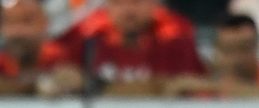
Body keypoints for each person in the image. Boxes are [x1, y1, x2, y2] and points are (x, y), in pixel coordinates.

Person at [50, 0, 206, 96]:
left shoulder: (176, 43)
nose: (129, 10)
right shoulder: (86, 43)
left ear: (154, 4)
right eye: (119, 2)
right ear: (107, 6)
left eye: (136, 2)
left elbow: (195, 90)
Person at [166, 12, 259, 96]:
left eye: (244, 48)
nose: (237, 59)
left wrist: (215, 86)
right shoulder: (201, 90)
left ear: (257, 47)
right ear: (216, 51)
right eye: (229, 50)